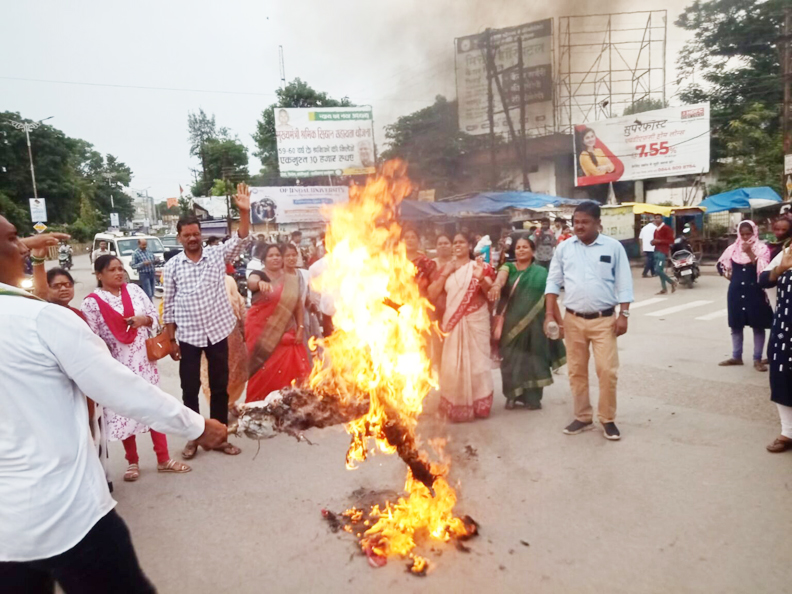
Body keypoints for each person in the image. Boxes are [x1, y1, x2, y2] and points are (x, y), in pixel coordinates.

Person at [0, 215, 226, 592]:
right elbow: (122, 390)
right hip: (67, 515)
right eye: (13, 239)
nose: (23, 245)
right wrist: (197, 426)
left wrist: (30, 255)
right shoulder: (43, 320)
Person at [82, 255, 191, 481]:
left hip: (144, 363)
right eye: (112, 270)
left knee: (154, 407)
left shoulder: (135, 291)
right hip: (117, 367)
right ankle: (132, 461)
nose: (119, 273)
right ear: (99, 275)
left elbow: (155, 317)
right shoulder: (91, 303)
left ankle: (163, 459)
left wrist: (144, 320)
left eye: (120, 268)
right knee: (126, 411)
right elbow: (90, 337)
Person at [163, 183, 252, 460]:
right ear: (179, 238)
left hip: (217, 333)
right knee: (189, 390)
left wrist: (244, 212)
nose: (192, 238)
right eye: (187, 235)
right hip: (189, 337)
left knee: (219, 387)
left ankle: (220, 436)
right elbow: (169, 307)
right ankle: (193, 437)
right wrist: (171, 340)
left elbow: (241, 238)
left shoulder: (216, 255)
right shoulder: (172, 266)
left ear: (201, 235)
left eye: (196, 234)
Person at [545, 201, 633, 441]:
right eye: (576, 222)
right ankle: (582, 416)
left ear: (598, 223)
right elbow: (553, 282)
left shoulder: (613, 248)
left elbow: (624, 283)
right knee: (576, 371)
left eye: (585, 222)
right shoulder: (564, 248)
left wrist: (624, 315)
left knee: (607, 370)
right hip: (573, 320)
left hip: (604, 320)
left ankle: (607, 419)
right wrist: (550, 314)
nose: (579, 226)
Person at [488, 235, 566, 410]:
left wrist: (559, 323)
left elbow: (550, 298)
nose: (521, 250)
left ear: (533, 251)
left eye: (525, 247)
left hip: (536, 325)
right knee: (510, 360)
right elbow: (501, 278)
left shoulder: (541, 273)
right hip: (510, 324)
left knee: (535, 359)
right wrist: (496, 285)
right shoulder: (508, 267)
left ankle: (533, 398)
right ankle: (512, 396)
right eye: (518, 247)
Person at [427, 232, 496, 422]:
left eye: (461, 242)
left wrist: (481, 278)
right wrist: (446, 273)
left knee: (478, 366)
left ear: (469, 246)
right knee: (452, 365)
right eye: (455, 242)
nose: (457, 245)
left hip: (476, 320)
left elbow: (491, 292)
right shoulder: (446, 269)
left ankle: (480, 405)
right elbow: (432, 293)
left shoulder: (479, 266)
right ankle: (456, 405)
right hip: (453, 322)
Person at [245, 244, 310, 402]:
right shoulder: (259, 274)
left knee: (291, 370)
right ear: (264, 259)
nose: (275, 258)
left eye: (278, 255)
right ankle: (257, 405)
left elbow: (298, 305)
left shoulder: (291, 278)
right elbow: (251, 282)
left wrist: (300, 328)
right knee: (262, 371)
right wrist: (259, 284)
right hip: (261, 333)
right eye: (271, 255)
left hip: (286, 331)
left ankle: (288, 405)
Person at [716, 220, 772, 371]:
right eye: (743, 234)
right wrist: (732, 278)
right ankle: (736, 356)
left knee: (758, 326)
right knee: (736, 325)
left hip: (755, 292)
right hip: (736, 292)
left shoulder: (762, 249)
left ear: (754, 232)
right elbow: (722, 266)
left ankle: (757, 359)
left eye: (749, 233)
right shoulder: (733, 249)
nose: (746, 237)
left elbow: (764, 270)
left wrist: (749, 252)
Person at [759, 246, 792, 452]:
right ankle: (788, 432)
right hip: (784, 331)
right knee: (782, 378)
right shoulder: (788, 252)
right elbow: (763, 280)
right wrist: (780, 269)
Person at [200, 274, 248, 415]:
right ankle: (216, 409)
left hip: (233, 337)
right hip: (210, 337)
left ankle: (230, 402)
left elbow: (239, 304)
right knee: (212, 374)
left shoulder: (229, 280)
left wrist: (244, 329)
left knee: (237, 374)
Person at [284, 242, 320, 354]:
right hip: (284, 322)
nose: (291, 258)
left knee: (305, 350)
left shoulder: (305, 274)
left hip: (303, 318)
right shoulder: (278, 276)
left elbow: (308, 296)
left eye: (294, 255)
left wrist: (312, 305)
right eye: (287, 255)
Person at [403, 227, 437, 296]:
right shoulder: (394, 262)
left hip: (419, 300)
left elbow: (433, 287)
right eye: (406, 237)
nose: (409, 240)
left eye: (413, 237)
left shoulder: (427, 263)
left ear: (418, 241)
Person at [651, 214, 677, 294]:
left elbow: (671, 241)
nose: (656, 219)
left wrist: (659, 241)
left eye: (658, 218)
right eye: (655, 218)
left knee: (658, 270)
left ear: (662, 219)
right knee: (660, 271)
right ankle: (664, 289)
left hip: (662, 252)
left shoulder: (666, 228)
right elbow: (655, 240)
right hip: (656, 251)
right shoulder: (656, 230)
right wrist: (653, 242)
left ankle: (672, 282)